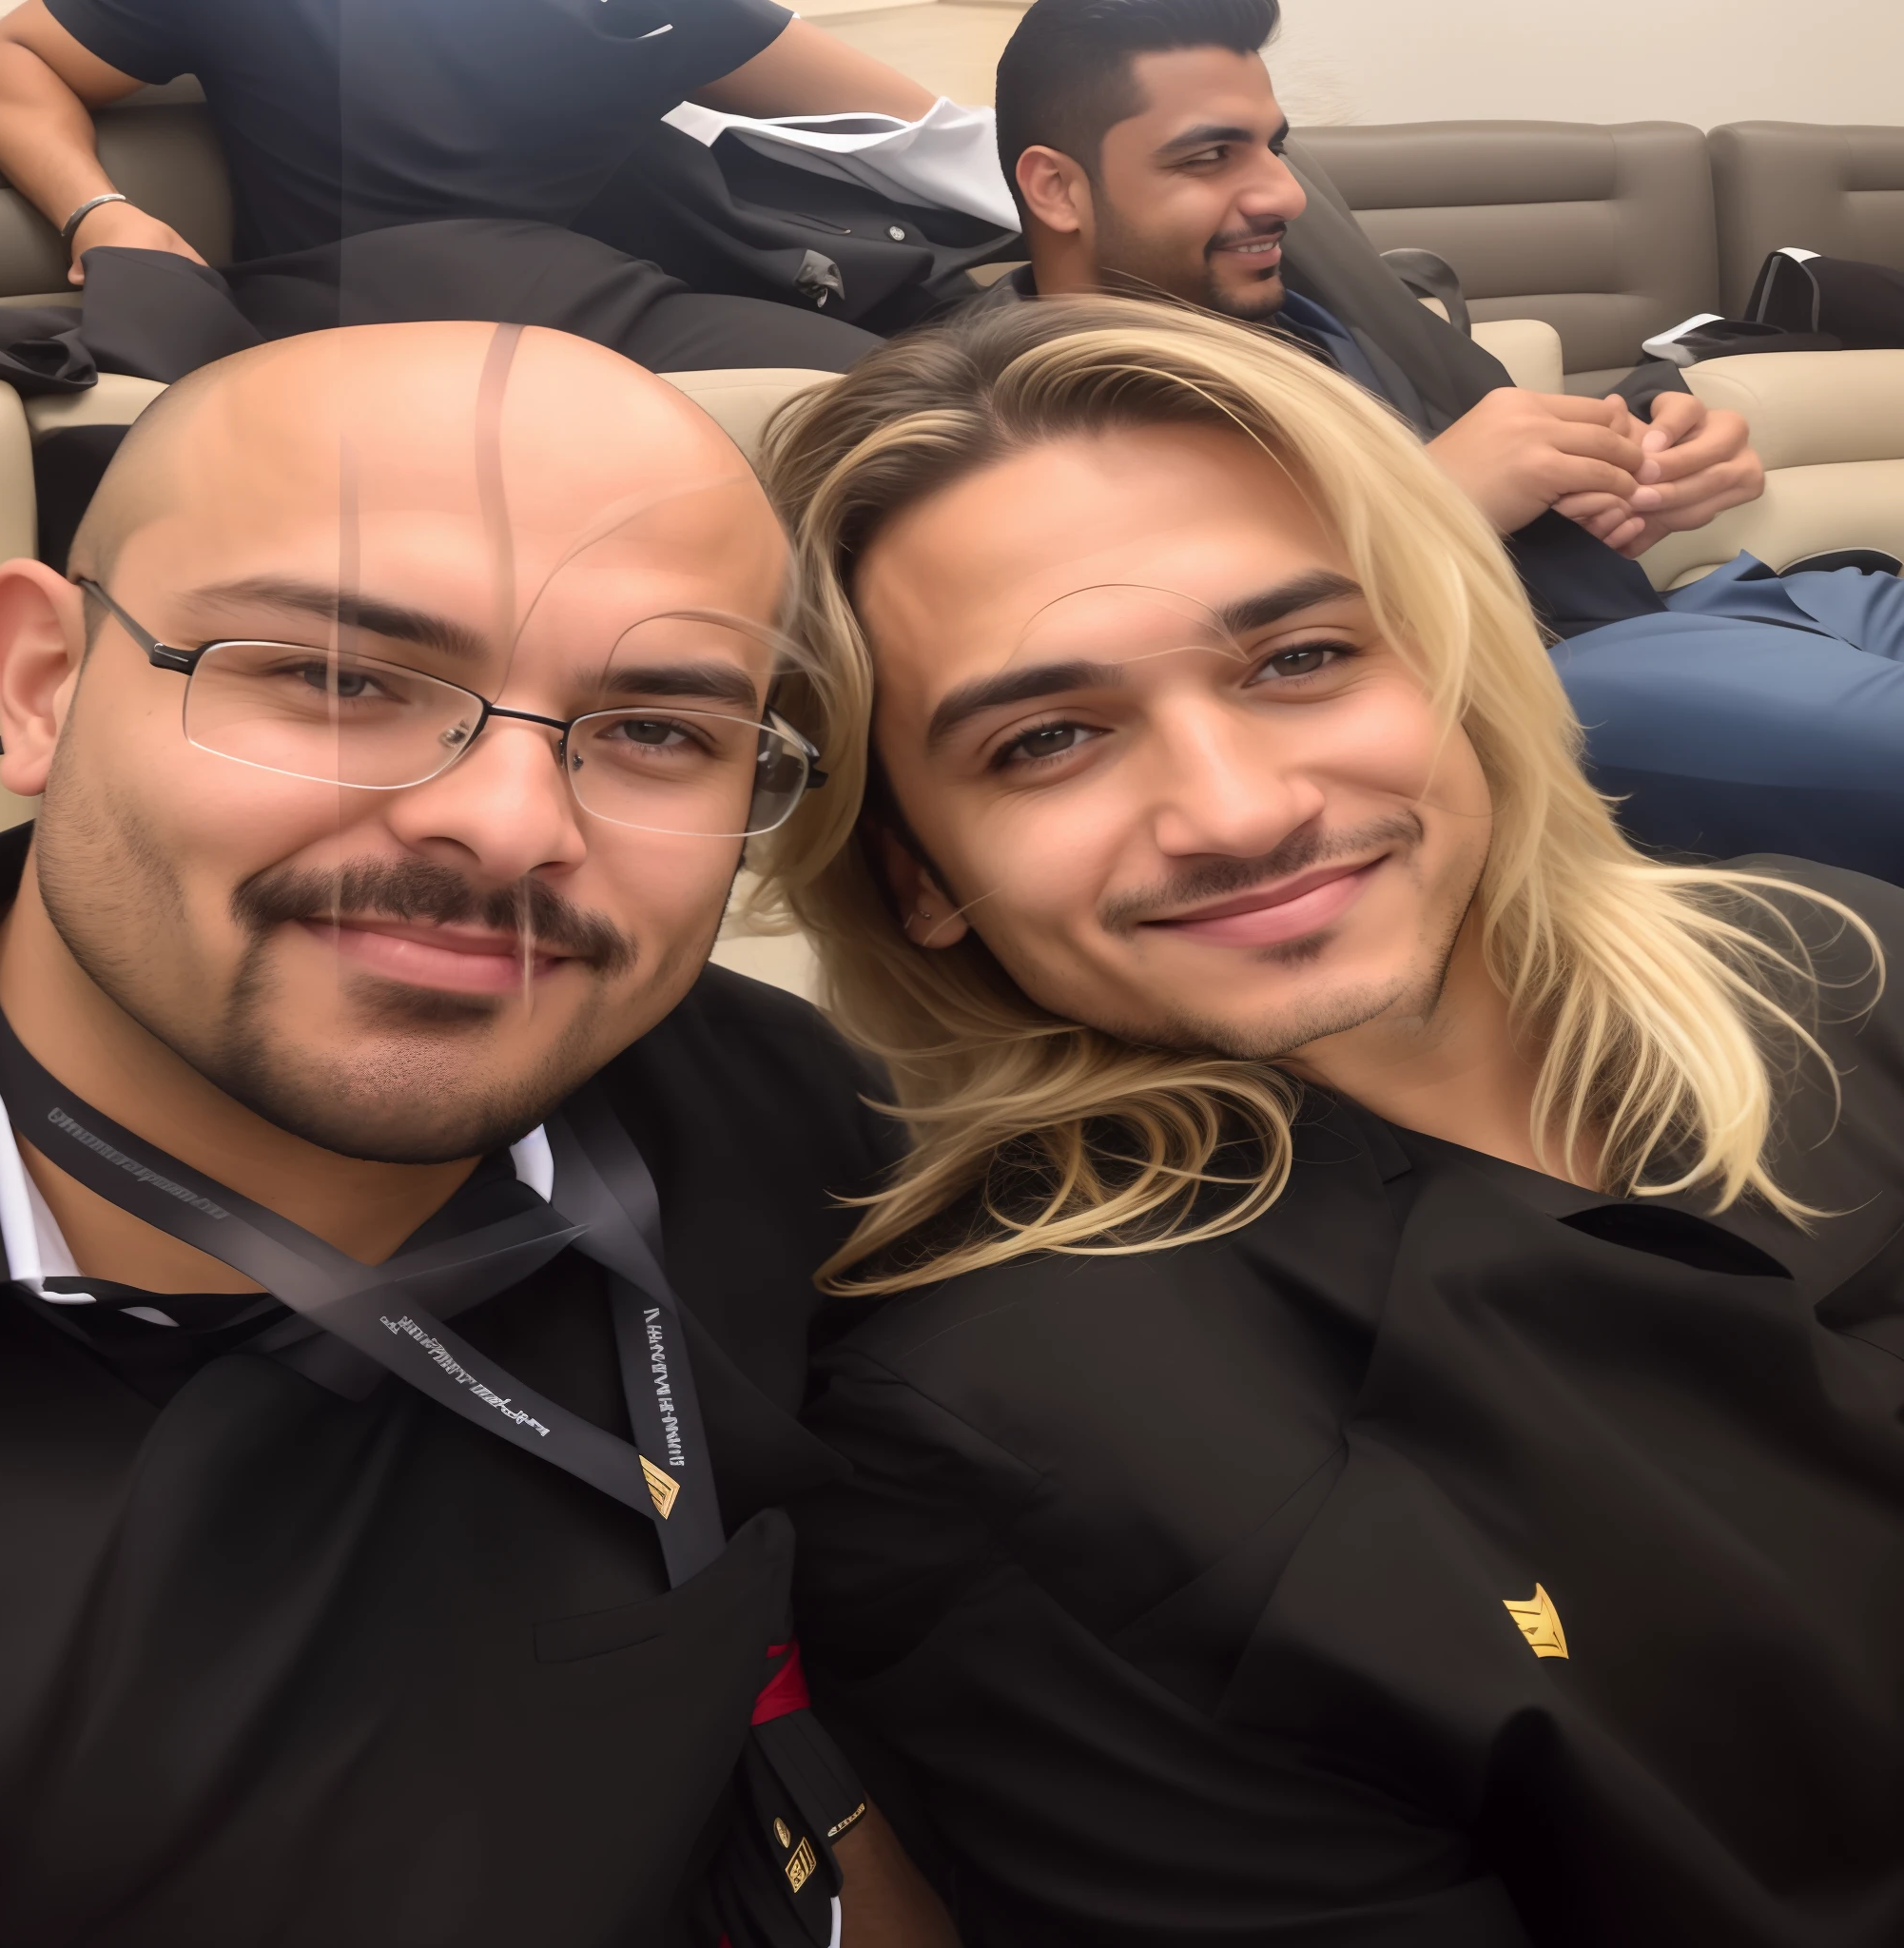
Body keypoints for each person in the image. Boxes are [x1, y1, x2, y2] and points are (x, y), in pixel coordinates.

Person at [757, 298, 1904, 1945]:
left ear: (1452, 666)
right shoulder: (1012, 1447)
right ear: (917, 873)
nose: (1239, 809)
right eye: (1047, 738)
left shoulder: (1835, 950)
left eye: (1298, 657)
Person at [0, 319, 959, 1948]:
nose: (505, 827)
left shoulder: (811, 1132)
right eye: (344, 677)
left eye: (654, 730)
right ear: (46, 681)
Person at [978, 0, 1904, 882]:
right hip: (1543, 690)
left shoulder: (1283, 311)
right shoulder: (998, 416)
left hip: (1724, 610)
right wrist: (1428, 501)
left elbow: (1508, 446)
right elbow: (1128, 663)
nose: (1281, 194)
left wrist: (1655, 449)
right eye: (1208, 156)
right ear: (1055, 187)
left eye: (1273, 145)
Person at [0, 0, 935, 372]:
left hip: (600, 294)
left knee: (903, 393)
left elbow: (925, 127)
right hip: (364, 305)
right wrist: (101, 209)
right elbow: (8, 63)